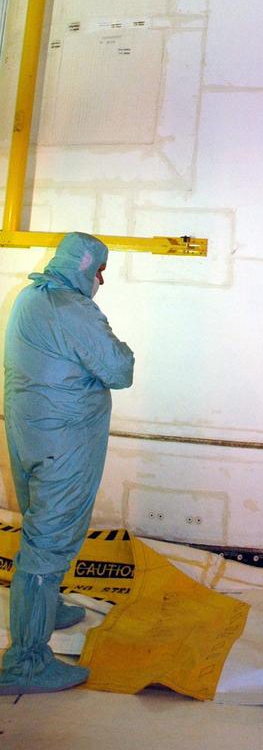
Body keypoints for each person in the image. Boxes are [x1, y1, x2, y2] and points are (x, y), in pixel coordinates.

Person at [0, 232, 134, 695]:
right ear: (85, 267)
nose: (101, 280)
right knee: (49, 542)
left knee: (41, 527)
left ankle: (45, 608)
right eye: (99, 271)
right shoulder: (72, 309)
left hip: (29, 436)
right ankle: (27, 662)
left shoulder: (30, 298)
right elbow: (120, 370)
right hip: (65, 444)